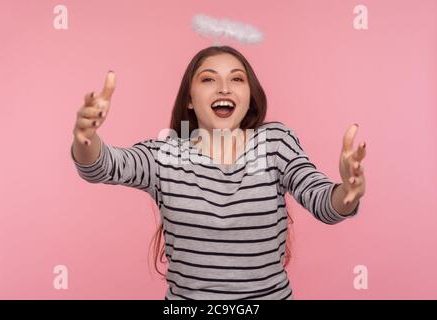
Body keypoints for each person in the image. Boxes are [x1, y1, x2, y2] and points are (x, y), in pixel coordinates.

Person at [71, 46, 366, 300]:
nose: (224, 88)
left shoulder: (275, 143)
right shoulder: (165, 155)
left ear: (249, 96)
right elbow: (104, 165)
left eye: (237, 79)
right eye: (209, 79)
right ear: (189, 98)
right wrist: (86, 138)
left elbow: (324, 201)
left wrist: (347, 192)